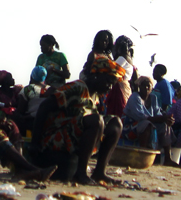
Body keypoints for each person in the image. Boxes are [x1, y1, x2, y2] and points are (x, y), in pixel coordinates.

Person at [33, 55, 124, 185]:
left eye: (112, 84)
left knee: (116, 123)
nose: (110, 87)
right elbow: (44, 106)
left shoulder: (96, 97)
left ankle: (99, 172)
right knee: (97, 121)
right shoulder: (77, 87)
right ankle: (80, 173)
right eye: (108, 81)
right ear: (96, 75)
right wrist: (35, 143)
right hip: (55, 138)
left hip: (72, 138)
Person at [122, 75, 173, 160]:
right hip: (129, 127)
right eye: (143, 85)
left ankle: (168, 158)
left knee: (165, 125)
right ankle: (142, 155)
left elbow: (157, 113)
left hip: (148, 123)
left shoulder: (153, 98)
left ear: (151, 88)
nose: (146, 88)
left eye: (148, 86)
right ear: (139, 87)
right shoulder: (135, 97)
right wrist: (161, 118)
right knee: (146, 124)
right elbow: (139, 116)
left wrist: (166, 119)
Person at [14, 65, 48, 134]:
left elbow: (21, 109)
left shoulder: (27, 89)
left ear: (31, 76)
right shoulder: (50, 89)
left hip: (32, 122)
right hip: (48, 121)